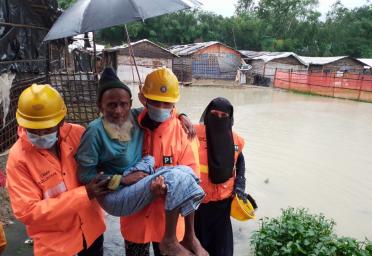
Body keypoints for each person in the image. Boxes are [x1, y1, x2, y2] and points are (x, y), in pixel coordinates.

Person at [75, 67, 206, 256]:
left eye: (123, 104)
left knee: (185, 175)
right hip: (133, 215)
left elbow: (164, 103)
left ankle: (188, 236)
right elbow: (85, 175)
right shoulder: (121, 124)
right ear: (144, 99)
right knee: (176, 174)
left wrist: (181, 115)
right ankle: (184, 238)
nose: (118, 110)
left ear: (131, 103)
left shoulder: (175, 129)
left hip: (167, 219)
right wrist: (121, 180)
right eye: (111, 105)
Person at [6, 84, 109, 256]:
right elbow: (28, 211)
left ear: (60, 121)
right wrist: (85, 194)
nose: (40, 135)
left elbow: (103, 164)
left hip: (92, 232)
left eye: (47, 129)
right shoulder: (18, 159)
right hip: (55, 246)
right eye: (33, 130)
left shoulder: (78, 135)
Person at [119, 68, 208, 256]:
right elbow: (114, 162)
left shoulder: (184, 132)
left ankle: (188, 238)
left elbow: (192, 178)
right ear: (143, 99)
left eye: (166, 103)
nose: (160, 107)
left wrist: (167, 189)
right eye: (155, 101)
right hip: (135, 220)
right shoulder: (128, 127)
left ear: (174, 103)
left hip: (168, 226)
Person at [194, 97, 247, 256]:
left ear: (230, 118)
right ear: (207, 114)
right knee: (197, 249)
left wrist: (240, 186)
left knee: (223, 251)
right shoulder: (193, 132)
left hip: (223, 206)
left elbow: (240, 163)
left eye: (223, 116)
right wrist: (181, 116)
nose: (218, 118)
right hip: (196, 206)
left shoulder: (236, 139)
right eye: (214, 114)